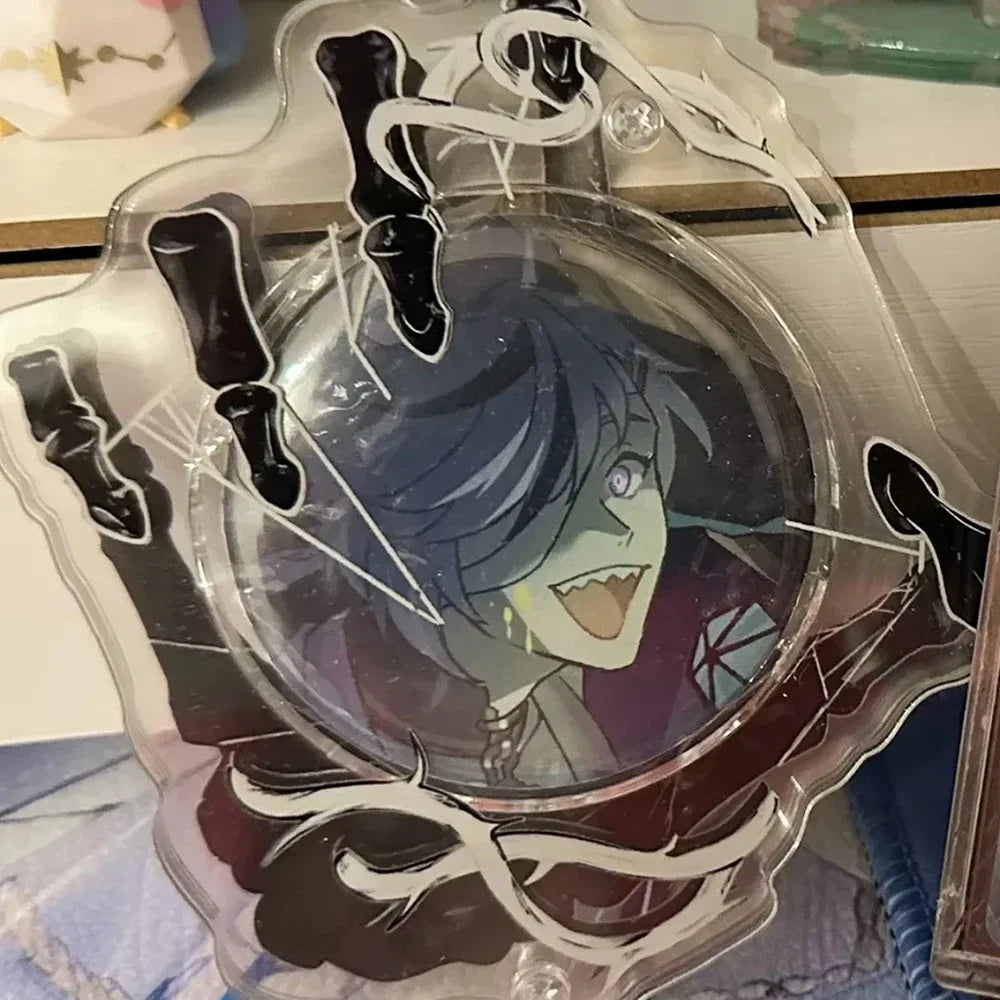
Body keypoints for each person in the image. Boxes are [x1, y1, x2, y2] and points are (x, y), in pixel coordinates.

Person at [233, 251, 812, 792]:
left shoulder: (689, 634)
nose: (618, 530)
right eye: (541, 501)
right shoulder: (336, 684)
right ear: (417, 527)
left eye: (626, 477)